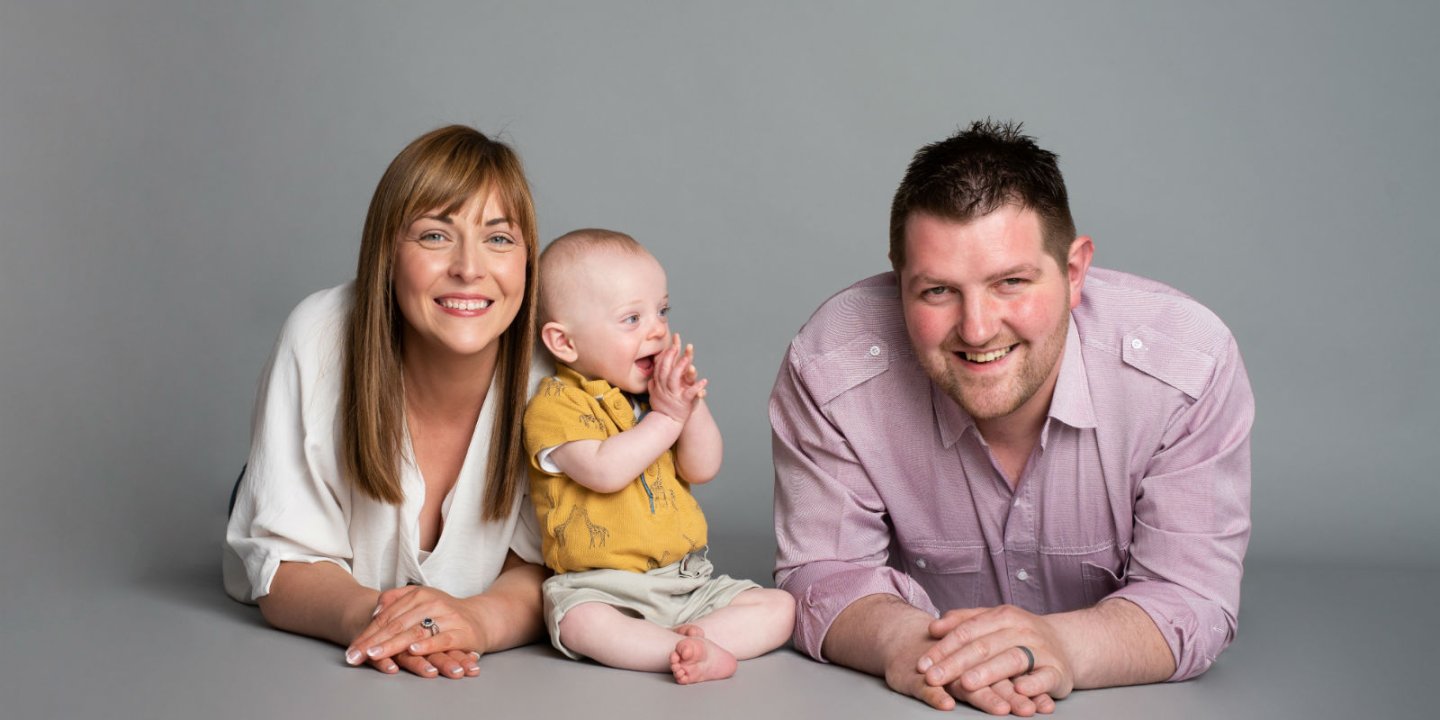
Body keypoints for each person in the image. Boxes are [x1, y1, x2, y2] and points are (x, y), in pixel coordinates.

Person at [771, 120, 1253, 715]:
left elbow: (1193, 595)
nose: (977, 330)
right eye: (937, 291)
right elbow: (825, 573)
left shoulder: (1186, 367)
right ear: (899, 282)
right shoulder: (830, 368)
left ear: (1075, 273)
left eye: (1011, 283)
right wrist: (910, 645)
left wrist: (1062, 647)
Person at [224, 125, 550, 680]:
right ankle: (259, 480)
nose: (469, 268)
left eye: (498, 238)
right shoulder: (318, 334)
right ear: (387, 253)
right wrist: (381, 621)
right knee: (271, 496)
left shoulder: (556, 371)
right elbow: (282, 564)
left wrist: (474, 621)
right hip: (306, 494)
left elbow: (548, 566)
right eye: (434, 236)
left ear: (526, 260)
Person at [524, 229, 794, 684]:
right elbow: (604, 470)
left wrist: (688, 404)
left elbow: (702, 468)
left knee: (779, 607)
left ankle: (694, 640)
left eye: (662, 311)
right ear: (564, 342)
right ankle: (679, 649)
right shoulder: (555, 405)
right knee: (579, 622)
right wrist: (667, 418)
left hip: (684, 581)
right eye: (631, 318)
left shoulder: (657, 399)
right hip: (602, 588)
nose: (657, 329)